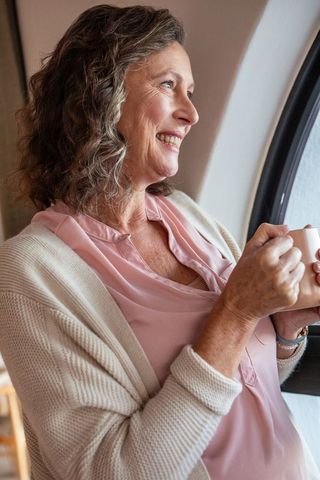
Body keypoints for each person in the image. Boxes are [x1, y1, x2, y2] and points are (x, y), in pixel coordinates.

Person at [0, 5, 319, 480]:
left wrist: (285, 325)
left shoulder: (187, 215)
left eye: (190, 92)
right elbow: (116, 470)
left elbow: (244, 380)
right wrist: (236, 310)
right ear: (99, 97)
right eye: (168, 85)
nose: (192, 113)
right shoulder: (29, 271)